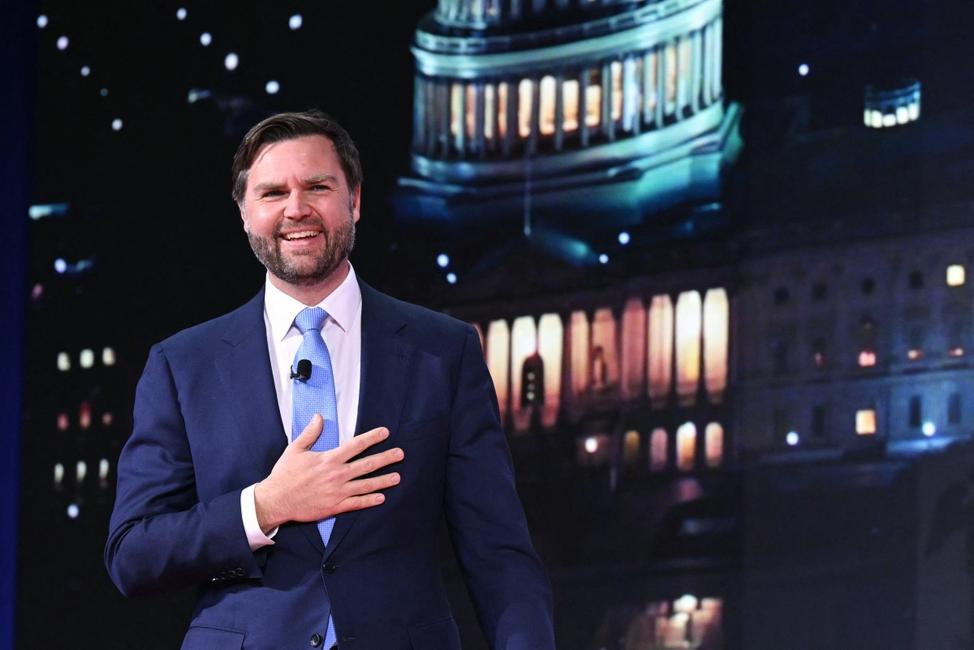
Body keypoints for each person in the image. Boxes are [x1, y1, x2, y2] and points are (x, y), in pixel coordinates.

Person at [105, 110, 555, 650]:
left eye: (317, 187)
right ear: (244, 213)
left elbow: (498, 552)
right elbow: (133, 554)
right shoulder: (184, 365)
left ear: (355, 201)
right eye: (273, 193)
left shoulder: (443, 351)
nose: (296, 208)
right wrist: (265, 506)